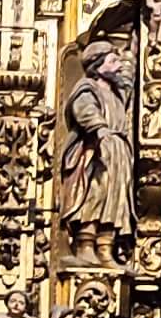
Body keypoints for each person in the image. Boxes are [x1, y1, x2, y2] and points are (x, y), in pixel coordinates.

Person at [58, 43, 135, 263]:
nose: (118, 66)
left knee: (116, 199)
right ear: (98, 66)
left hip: (118, 154)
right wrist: (99, 129)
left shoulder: (118, 92)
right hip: (97, 151)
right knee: (95, 194)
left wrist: (135, 49)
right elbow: (84, 110)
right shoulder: (87, 88)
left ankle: (105, 247)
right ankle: (85, 245)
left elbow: (129, 77)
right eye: (113, 61)